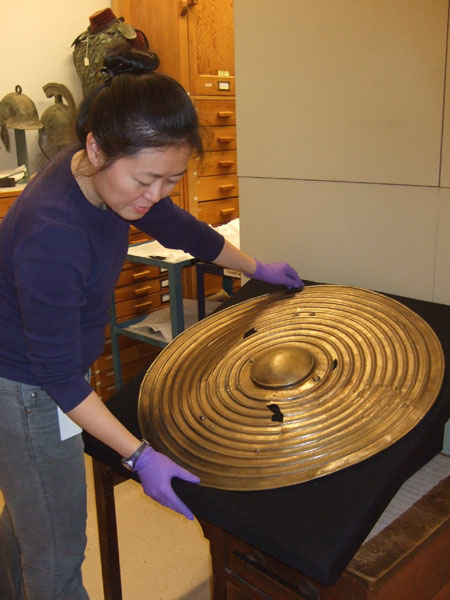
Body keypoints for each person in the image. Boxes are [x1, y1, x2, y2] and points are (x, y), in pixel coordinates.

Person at [0, 47, 303, 600]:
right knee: (56, 552)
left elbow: (181, 227)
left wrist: (258, 268)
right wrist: (139, 456)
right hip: (25, 386)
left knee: (29, 519)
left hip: (45, 368)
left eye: (171, 178)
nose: (155, 195)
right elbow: (58, 377)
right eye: (147, 179)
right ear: (96, 148)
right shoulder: (54, 232)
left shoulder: (106, 176)